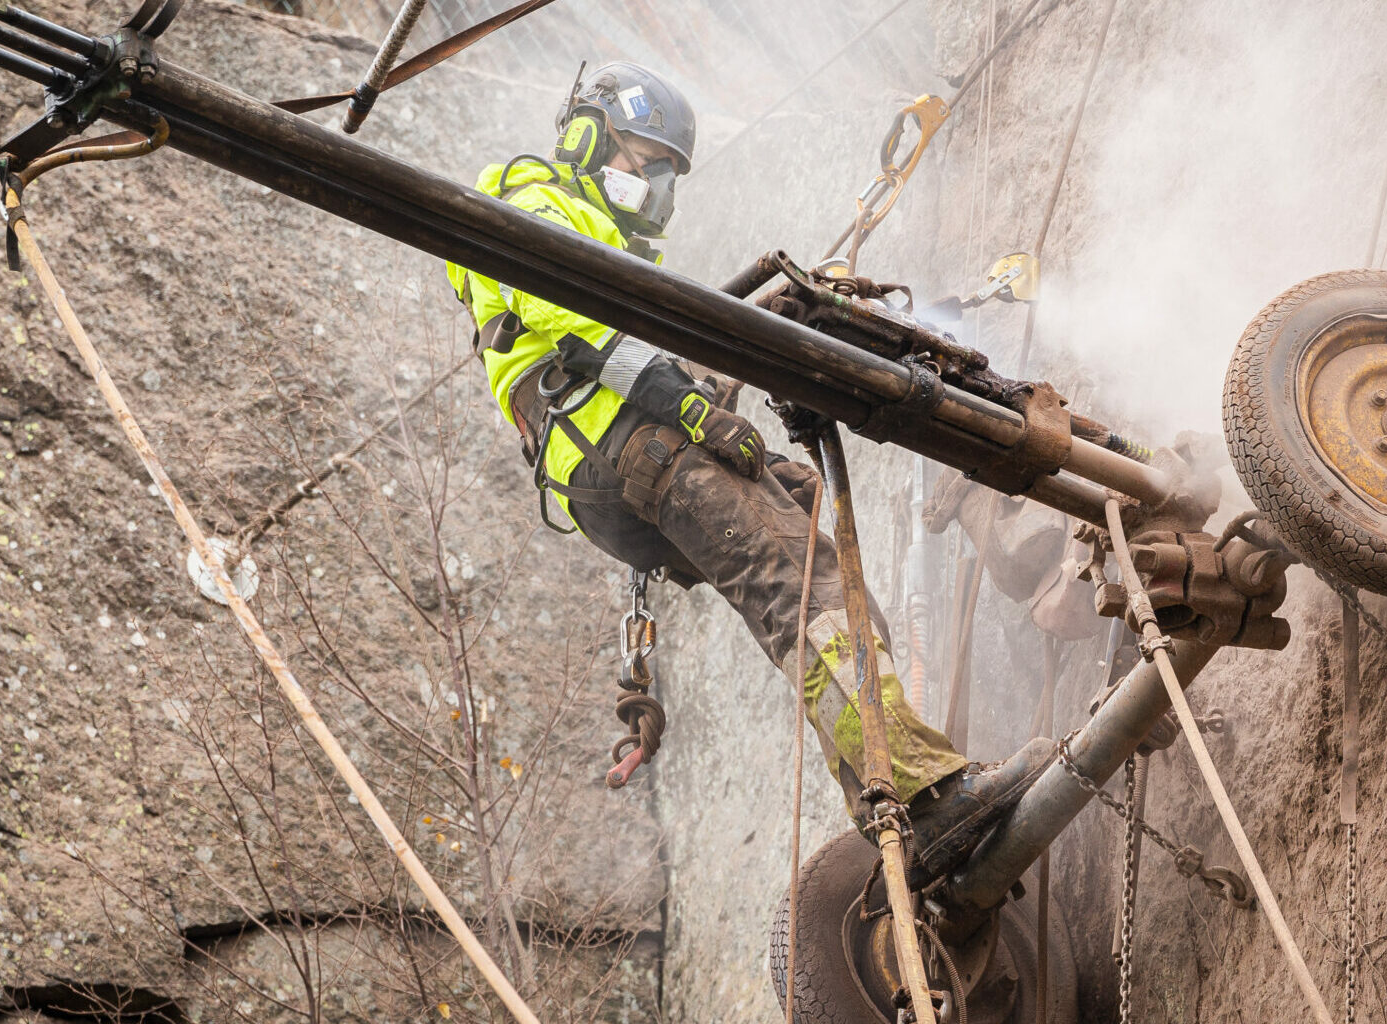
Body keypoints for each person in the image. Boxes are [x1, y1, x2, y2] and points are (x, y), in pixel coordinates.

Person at [445, 61, 1053, 885]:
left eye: (668, 172)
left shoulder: (608, 240)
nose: (656, 184)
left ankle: (896, 800)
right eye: (644, 159)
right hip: (622, 444)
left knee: (823, 572)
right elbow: (576, 326)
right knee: (792, 588)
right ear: (588, 136)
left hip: (628, 456)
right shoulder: (521, 201)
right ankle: (926, 797)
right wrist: (694, 410)